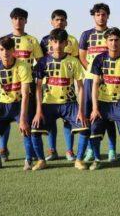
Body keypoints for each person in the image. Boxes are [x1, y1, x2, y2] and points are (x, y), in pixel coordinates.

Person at [32, 29, 89, 170]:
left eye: (60, 42)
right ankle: (41, 160)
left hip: (69, 104)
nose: (57, 45)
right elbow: (38, 88)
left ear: (66, 43)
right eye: (54, 41)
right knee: (34, 130)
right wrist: (38, 111)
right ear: (50, 43)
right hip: (48, 104)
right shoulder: (43, 62)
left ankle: (79, 160)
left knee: (85, 128)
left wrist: (81, 110)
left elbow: (81, 87)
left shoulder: (73, 62)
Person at [0, 7, 43, 161]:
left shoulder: (32, 40)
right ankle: (3, 148)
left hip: (27, 83)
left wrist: (32, 72)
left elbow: (40, 62)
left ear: (26, 21)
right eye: (15, 18)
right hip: (9, 83)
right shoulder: (4, 41)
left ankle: (32, 153)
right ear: (11, 20)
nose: (18, 21)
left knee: (27, 118)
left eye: (21, 18)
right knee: (5, 117)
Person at [88, 28, 120, 171]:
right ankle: (97, 159)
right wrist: (95, 108)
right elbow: (95, 85)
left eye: (116, 40)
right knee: (94, 129)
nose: (114, 43)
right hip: (103, 103)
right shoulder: (99, 59)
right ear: (106, 42)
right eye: (111, 40)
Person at [0, 36, 34, 170]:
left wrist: (23, 118)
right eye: (1, 49)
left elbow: (25, 95)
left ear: (13, 50)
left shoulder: (23, 66)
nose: (5, 52)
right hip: (3, 103)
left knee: (26, 129)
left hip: (19, 103)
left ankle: (29, 160)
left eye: (8, 49)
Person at [79, 3, 117, 162]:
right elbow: (82, 56)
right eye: (97, 14)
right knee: (90, 116)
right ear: (94, 16)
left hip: (110, 82)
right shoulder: (86, 34)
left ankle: (112, 150)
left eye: (103, 14)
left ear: (108, 16)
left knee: (109, 117)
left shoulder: (112, 34)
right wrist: (96, 73)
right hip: (91, 80)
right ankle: (90, 149)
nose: (101, 17)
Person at [40, 9, 79, 161]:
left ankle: (69, 151)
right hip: (50, 87)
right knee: (50, 122)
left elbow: (75, 63)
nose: (60, 22)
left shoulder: (73, 40)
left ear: (66, 22)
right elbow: (42, 61)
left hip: (67, 86)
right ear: (51, 22)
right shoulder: (44, 40)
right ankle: (52, 151)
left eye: (62, 20)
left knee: (68, 121)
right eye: (57, 20)